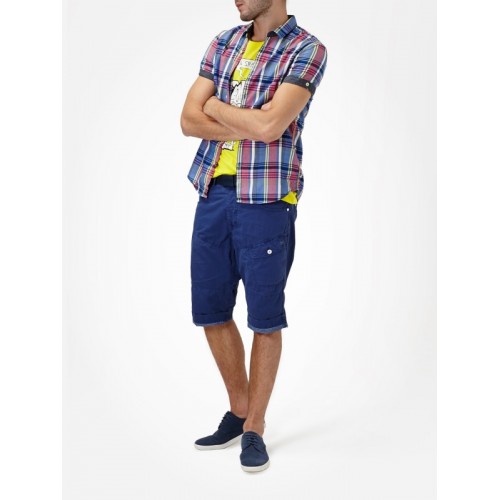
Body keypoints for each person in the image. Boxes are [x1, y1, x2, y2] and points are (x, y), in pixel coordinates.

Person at [180, 0, 327, 473]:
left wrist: (216, 107)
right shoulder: (223, 43)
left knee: (264, 318)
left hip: (266, 199)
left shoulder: (305, 49)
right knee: (211, 311)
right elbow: (187, 120)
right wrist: (247, 119)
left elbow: (270, 126)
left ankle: (256, 428)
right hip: (213, 193)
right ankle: (240, 410)